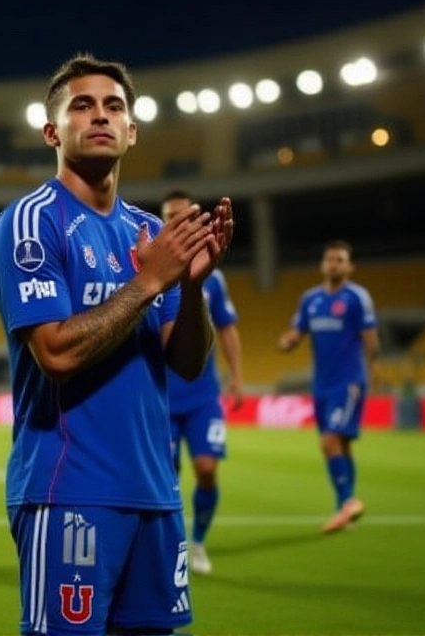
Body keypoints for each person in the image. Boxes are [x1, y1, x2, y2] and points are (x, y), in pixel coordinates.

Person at [0, 54, 232, 635]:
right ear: (53, 131)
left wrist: (191, 288)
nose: (100, 116)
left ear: (132, 130)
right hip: (68, 490)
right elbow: (57, 355)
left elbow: (188, 364)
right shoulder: (30, 224)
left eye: (114, 106)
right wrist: (150, 281)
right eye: (82, 105)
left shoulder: (147, 231)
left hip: (155, 494)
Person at [160, 190, 245, 576]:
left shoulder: (215, 275)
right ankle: (171, 545)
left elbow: (227, 329)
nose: (176, 220)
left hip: (203, 396)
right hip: (162, 397)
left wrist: (238, 377)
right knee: (167, 478)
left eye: (184, 214)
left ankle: (198, 543)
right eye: (169, 216)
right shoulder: (152, 268)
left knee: (208, 469)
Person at [277, 240, 378, 534]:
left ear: (349, 266)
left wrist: (373, 368)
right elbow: (297, 332)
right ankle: (343, 508)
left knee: (329, 442)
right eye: (330, 259)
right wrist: (288, 341)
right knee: (341, 445)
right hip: (321, 384)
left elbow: (370, 336)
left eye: (340, 260)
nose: (333, 264)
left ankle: (348, 502)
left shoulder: (356, 297)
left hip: (348, 382)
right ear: (323, 264)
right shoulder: (310, 299)